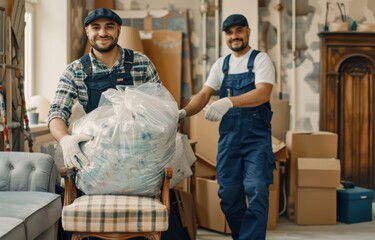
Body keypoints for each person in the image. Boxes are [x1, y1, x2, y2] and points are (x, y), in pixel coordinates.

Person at [179, 14, 275, 240]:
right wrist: (183, 112)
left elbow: (263, 93)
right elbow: (203, 94)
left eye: (239, 31)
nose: (235, 36)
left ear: (248, 32)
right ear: (225, 36)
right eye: (230, 33)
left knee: (256, 188)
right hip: (230, 140)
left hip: (256, 140)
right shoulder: (221, 64)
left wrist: (229, 101)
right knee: (228, 194)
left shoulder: (260, 60)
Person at [48, 8, 160, 170]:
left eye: (109, 26)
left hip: (138, 154)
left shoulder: (141, 64)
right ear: (87, 31)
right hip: (95, 156)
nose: (102, 33)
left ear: (118, 30)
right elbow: (57, 112)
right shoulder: (75, 70)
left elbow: (158, 106)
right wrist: (65, 139)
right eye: (95, 27)